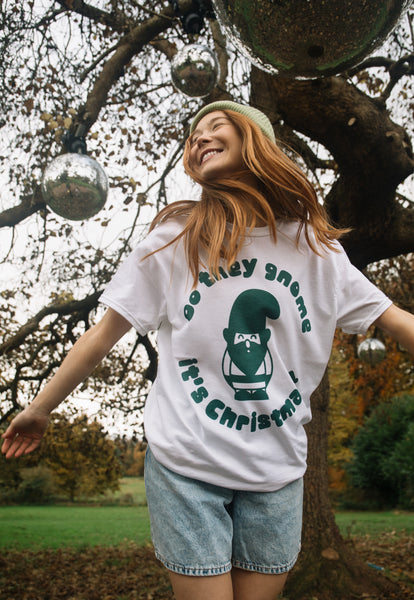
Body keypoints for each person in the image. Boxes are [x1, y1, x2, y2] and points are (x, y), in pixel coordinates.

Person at [2, 101, 414, 600]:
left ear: (255, 142)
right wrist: (40, 408)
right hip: (187, 463)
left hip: (276, 471)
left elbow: (395, 322)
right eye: (193, 135)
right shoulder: (177, 238)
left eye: (215, 126)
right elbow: (102, 334)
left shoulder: (315, 249)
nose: (199, 137)